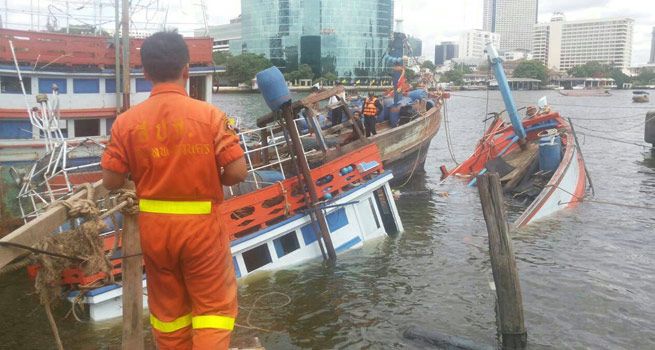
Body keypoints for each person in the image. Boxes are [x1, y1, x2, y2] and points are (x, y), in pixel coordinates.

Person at [100, 31, 247, 350]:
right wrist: (211, 177)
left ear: (146, 73)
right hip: (202, 232)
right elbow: (237, 172)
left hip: (155, 234)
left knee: (169, 315)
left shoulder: (126, 123)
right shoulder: (210, 116)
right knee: (212, 313)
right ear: (187, 70)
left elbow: (111, 181)